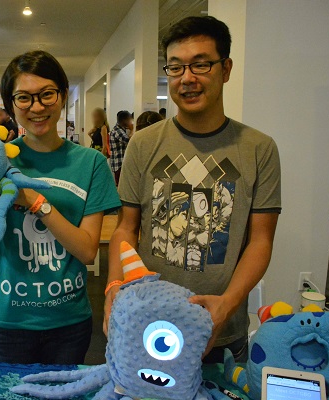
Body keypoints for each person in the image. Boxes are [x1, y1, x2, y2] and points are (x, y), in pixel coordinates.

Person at [104, 16, 281, 364]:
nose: (187, 78)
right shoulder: (143, 144)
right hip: (145, 321)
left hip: (219, 332)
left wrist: (227, 305)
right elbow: (126, 227)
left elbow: (261, 239)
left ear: (225, 68)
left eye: (201, 64)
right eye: (175, 67)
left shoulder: (259, 148)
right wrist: (113, 286)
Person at [0, 50, 121, 365]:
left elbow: (87, 251)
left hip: (67, 322)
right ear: (10, 104)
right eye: (24, 98)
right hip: (5, 320)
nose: (36, 107)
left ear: (63, 96)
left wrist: (36, 201)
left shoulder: (91, 163)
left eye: (47, 95)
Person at [108, 110, 133, 185]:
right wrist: (132, 129)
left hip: (119, 163)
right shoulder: (118, 131)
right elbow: (129, 141)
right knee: (121, 186)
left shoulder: (120, 130)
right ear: (124, 120)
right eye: (129, 119)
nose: (130, 122)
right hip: (119, 163)